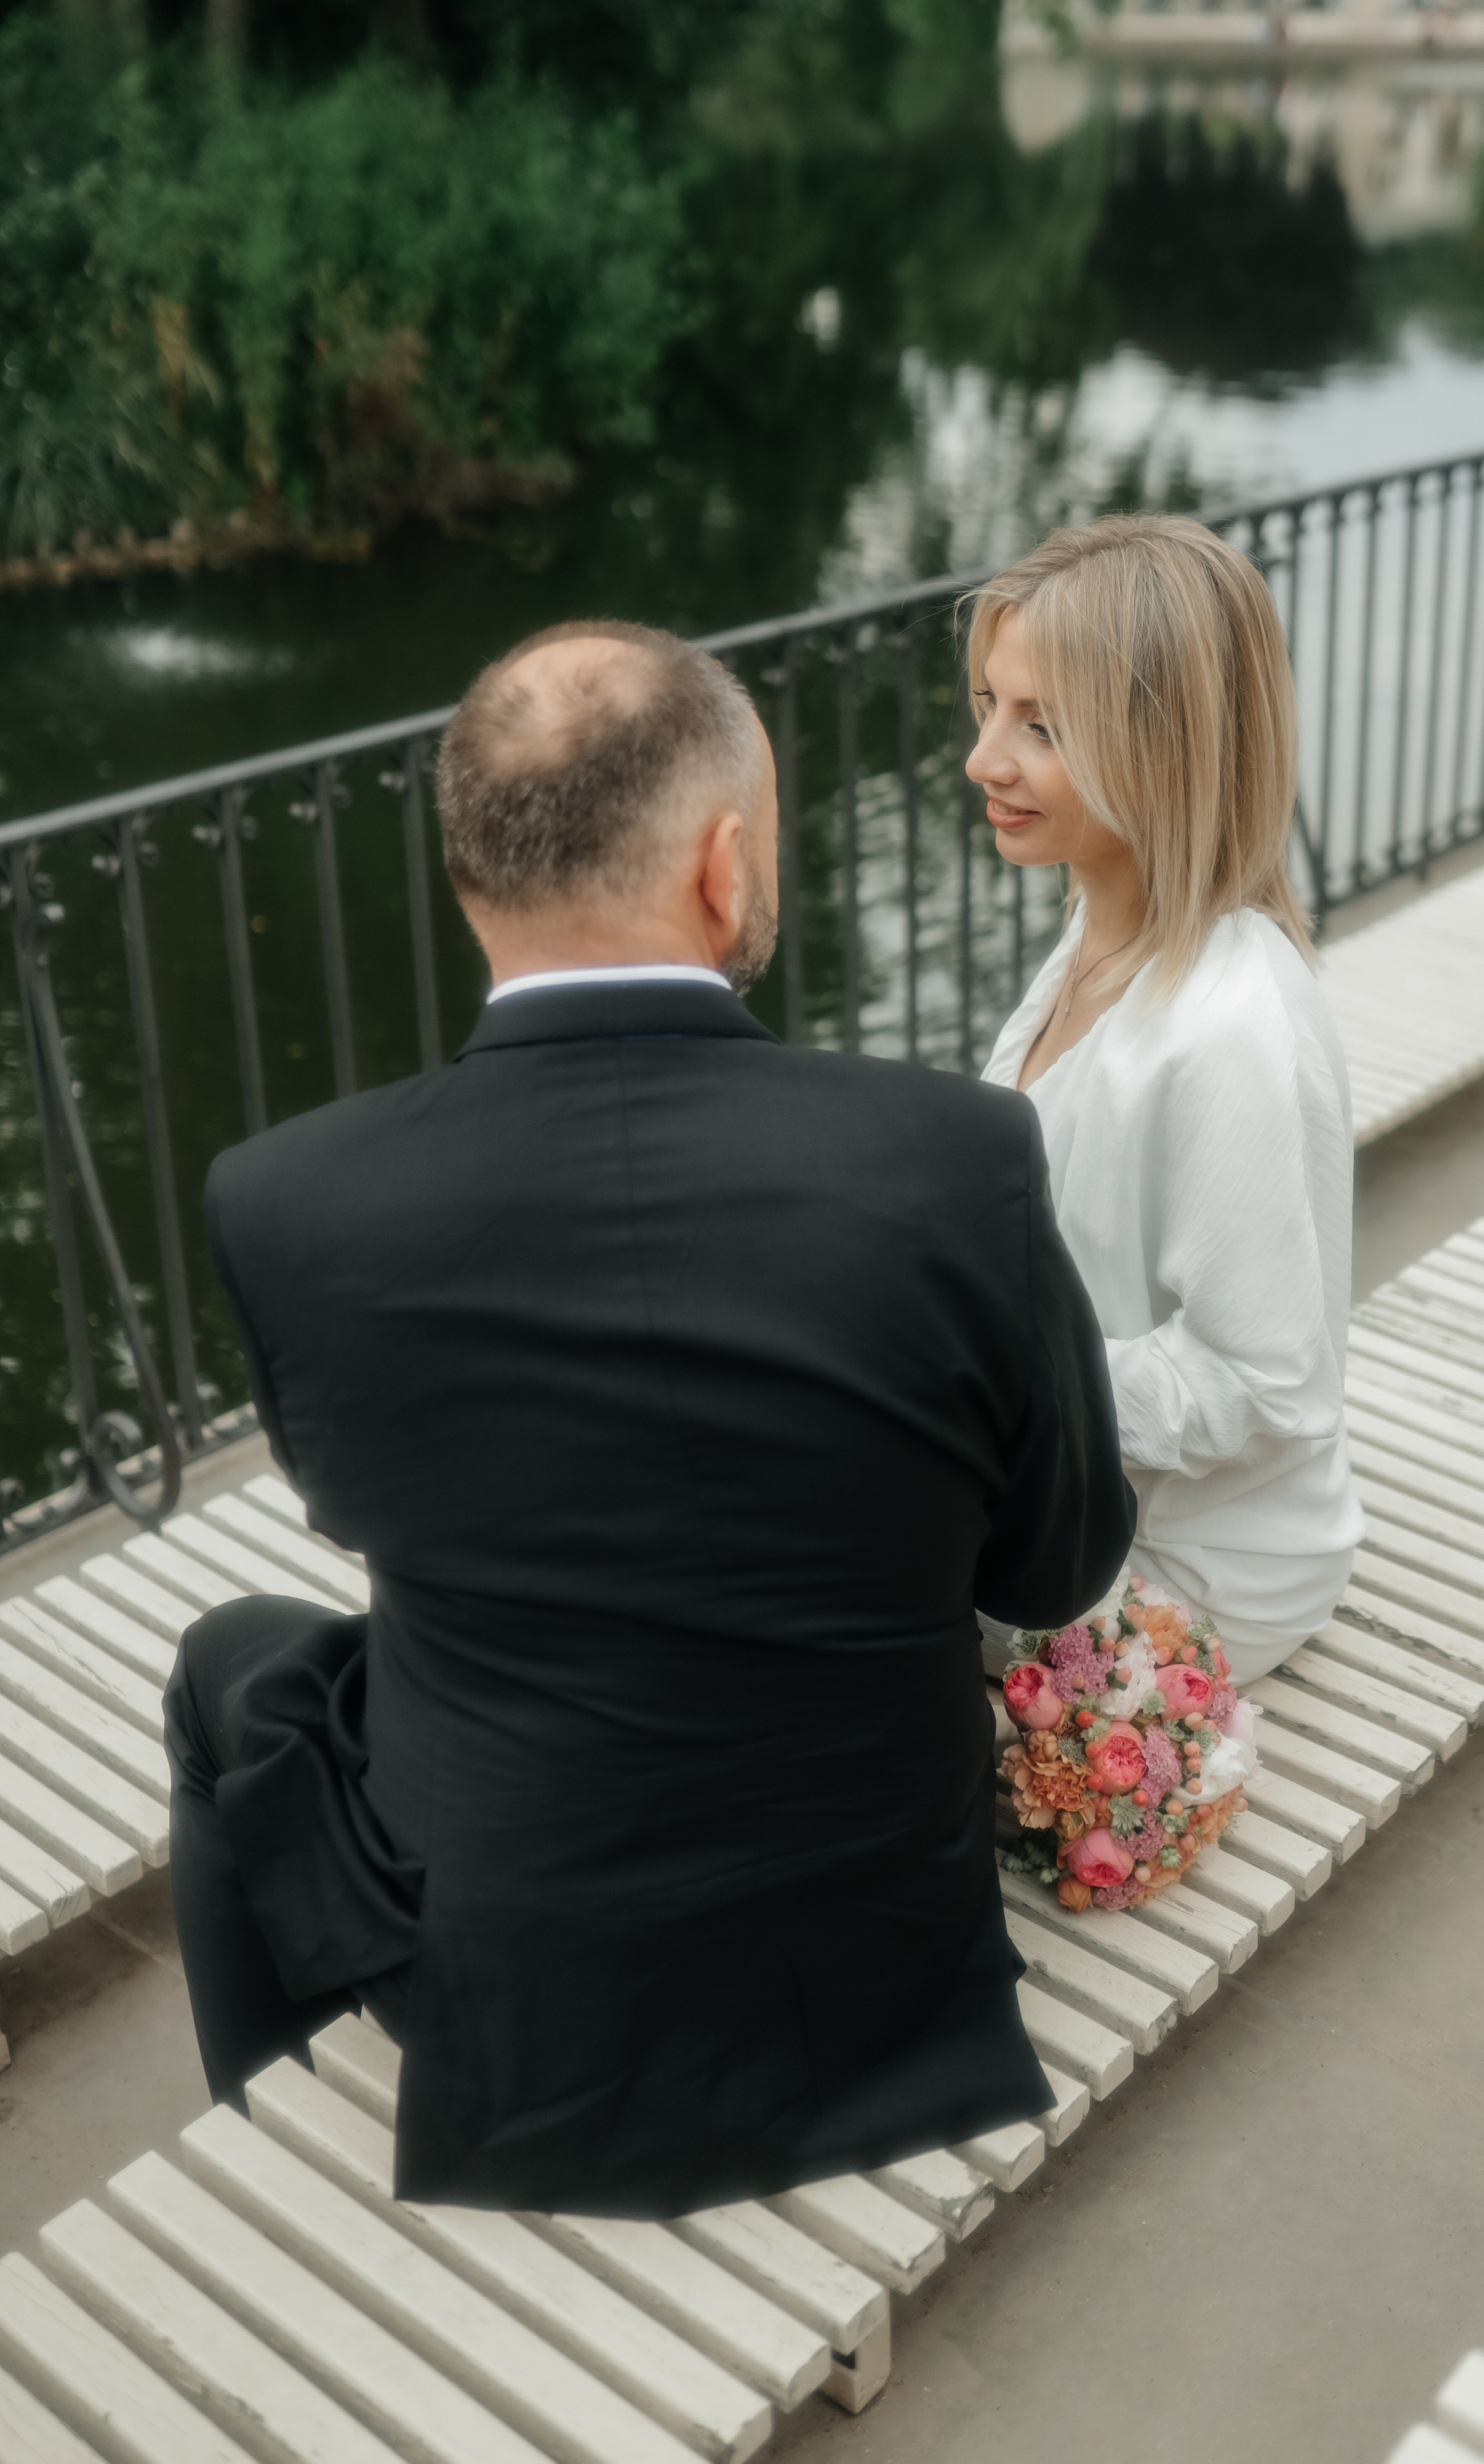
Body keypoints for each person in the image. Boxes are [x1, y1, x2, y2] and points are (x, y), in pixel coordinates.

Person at [166, 617, 1132, 2218]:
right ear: (725, 863)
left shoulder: (285, 1203)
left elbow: (357, 1510)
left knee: (238, 1663)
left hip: (525, 1992)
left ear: (469, 877)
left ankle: (263, 2121)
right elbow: (1054, 1568)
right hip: (874, 1960)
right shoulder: (953, 1157)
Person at [968, 516, 1362, 1686]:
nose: (985, 759)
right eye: (988, 706)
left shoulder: (1232, 1029)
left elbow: (1268, 1379)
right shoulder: (1102, 922)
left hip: (1183, 1559)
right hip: (1068, 1481)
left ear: (1163, 746)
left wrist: (998, 1380)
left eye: (1039, 726)